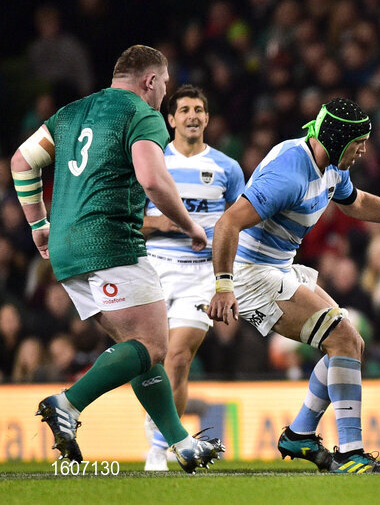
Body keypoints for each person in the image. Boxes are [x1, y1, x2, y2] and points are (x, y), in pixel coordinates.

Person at [207, 97, 380, 474]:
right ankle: (349, 453)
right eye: (358, 143)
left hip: (278, 266)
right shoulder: (288, 173)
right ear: (338, 140)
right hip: (250, 272)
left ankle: (299, 434)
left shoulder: (329, 165)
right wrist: (224, 286)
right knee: (341, 338)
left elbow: (356, 203)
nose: (363, 151)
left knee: (351, 343)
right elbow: (228, 223)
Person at [10, 45, 224, 472]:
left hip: (65, 248)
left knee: (138, 349)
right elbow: (152, 180)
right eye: (164, 85)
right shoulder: (140, 113)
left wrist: (38, 224)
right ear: (150, 80)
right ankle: (68, 403)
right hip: (110, 241)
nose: (164, 94)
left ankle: (180, 443)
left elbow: (21, 161)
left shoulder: (70, 113)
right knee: (153, 345)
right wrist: (189, 226)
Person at [140, 85, 245, 471]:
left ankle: (158, 448)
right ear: (170, 119)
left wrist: (229, 278)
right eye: (184, 109)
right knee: (149, 358)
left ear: (207, 118)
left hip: (201, 274)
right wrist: (160, 224)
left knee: (179, 356)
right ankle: (161, 424)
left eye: (198, 109)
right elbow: (127, 219)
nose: (192, 116)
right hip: (152, 268)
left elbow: (241, 222)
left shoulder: (227, 168)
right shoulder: (150, 163)